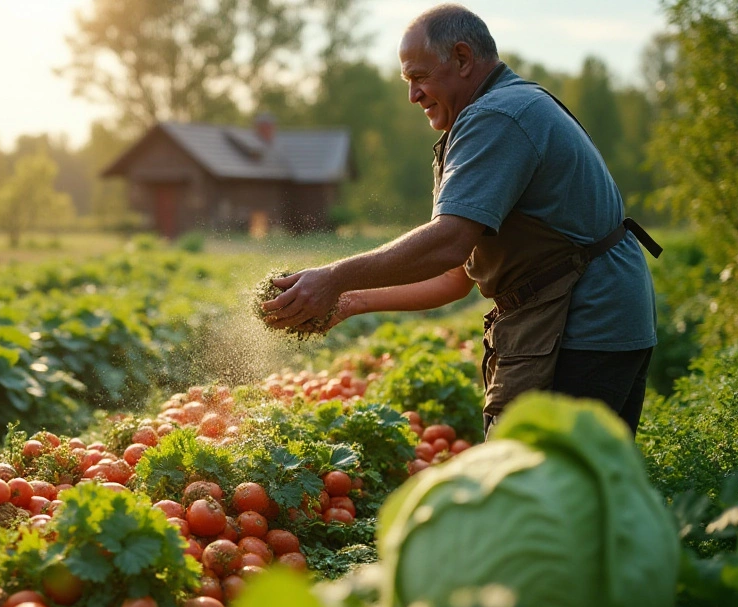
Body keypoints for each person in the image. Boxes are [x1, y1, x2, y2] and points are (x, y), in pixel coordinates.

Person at [261, 3, 662, 437]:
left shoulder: (496, 116)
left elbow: (448, 242)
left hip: (587, 323)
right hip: (609, 314)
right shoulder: (504, 108)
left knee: (532, 483)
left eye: (419, 77)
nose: (412, 95)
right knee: (582, 485)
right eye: (407, 80)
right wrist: (352, 299)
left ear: (463, 59)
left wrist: (334, 276)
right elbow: (456, 275)